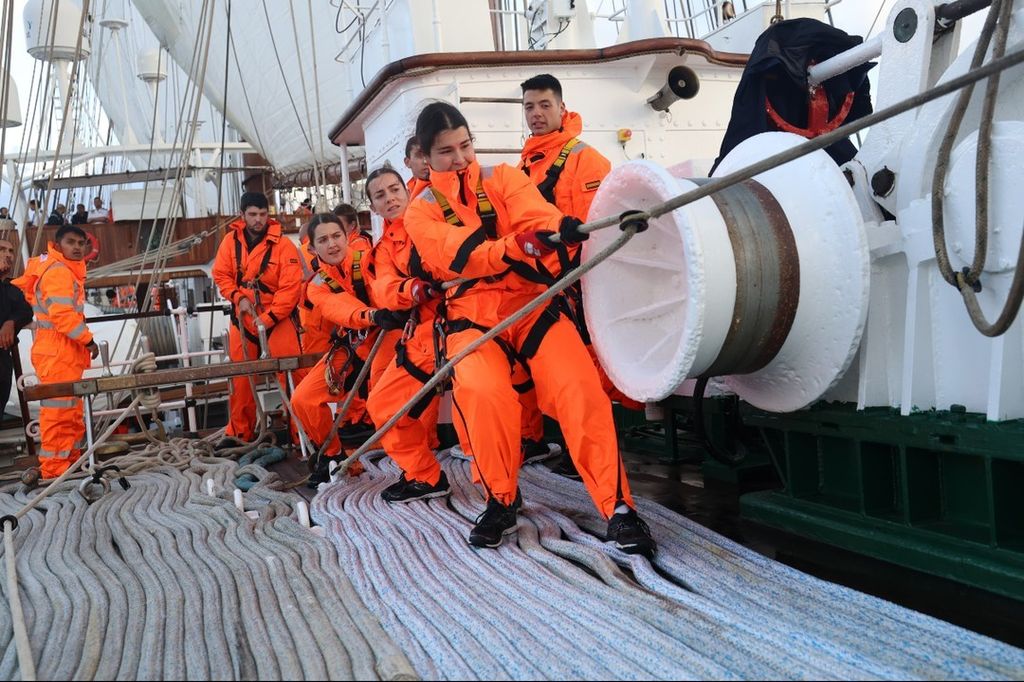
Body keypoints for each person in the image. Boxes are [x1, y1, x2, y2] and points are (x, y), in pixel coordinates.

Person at [403, 101, 655, 556]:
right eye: (446, 152)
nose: (459, 159)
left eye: (465, 146)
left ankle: (618, 508)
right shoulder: (419, 212)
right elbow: (453, 253)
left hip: (530, 307)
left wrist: (562, 227)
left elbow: (532, 212)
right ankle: (501, 500)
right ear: (425, 157)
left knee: (580, 388)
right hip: (471, 317)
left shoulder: (502, 177)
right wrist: (512, 247)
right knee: (482, 395)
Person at [519, 73, 643, 479]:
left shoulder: (584, 158)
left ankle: (597, 454)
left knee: (590, 373)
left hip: (577, 285)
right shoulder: (528, 161)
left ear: (561, 107)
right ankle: (578, 448)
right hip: (544, 284)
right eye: (529, 107)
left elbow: (598, 226)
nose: (536, 114)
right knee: (564, 377)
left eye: (544, 105)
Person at [290, 213, 409, 485]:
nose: (331, 244)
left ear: (347, 237)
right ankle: (331, 455)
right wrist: (370, 316)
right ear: (312, 249)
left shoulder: (370, 259)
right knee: (303, 399)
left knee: (384, 401)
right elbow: (339, 309)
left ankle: (413, 467)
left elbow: (387, 283)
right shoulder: (316, 286)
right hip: (355, 341)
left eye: (336, 236)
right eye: (323, 240)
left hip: (387, 336)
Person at [361, 167, 446, 502]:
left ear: (407, 191)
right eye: (380, 195)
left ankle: (502, 497)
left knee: (483, 406)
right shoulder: (385, 249)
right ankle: (425, 475)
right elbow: (383, 287)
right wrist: (410, 289)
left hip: (469, 320)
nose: (390, 198)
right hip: (427, 333)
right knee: (382, 405)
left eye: (395, 189)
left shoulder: (432, 216)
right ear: (373, 207)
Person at [211, 192, 305, 447]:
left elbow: (290, 289)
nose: (258, 220)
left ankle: (301, 435)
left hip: (277, 319)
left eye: (263, 215)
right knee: (241, 381)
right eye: (253, 215)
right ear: (242, 215)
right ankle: (240, 434)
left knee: (292, 375)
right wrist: (237, 297)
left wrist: (268, 318)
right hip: (244, 320)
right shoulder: (230, 243)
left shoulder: (284, 246)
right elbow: (221, 275)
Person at [13, 224, 99, 478]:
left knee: (70, 414)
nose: (77, 248)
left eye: (81, 243)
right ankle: (53, 471)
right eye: (71, 242)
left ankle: (69, 464)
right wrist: (88, 341)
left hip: (63, 353)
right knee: (59, 415)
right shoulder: (59, 271)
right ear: (58, 245)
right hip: (57, 352)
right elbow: (62, 317)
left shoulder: (65, 271)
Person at [0, 235, 33, 413]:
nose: (8, 254)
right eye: (2, 250)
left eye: (11, 251)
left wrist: (11, 322)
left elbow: (26, 311)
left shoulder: (12, 288)